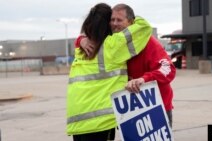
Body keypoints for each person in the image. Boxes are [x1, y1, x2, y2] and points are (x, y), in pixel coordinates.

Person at [79, 3, 176, 128]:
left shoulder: (148, 42)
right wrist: (81, 40)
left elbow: (169, 69)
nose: (114, 23)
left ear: (131, 22)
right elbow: (92, 38)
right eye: (112, 20)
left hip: (157, 106)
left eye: (119, 20)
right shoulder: (112, 42)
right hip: (130, 110)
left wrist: (144, 79)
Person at [66, 3, 152, 141]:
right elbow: (144, 27)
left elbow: (81, 39)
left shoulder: (80, 50)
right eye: (112, 20)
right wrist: (125, 16)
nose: (114, 23)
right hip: (100, 122)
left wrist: (81, 39)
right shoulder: (112, 46)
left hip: (78, 121)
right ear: (106, 24)